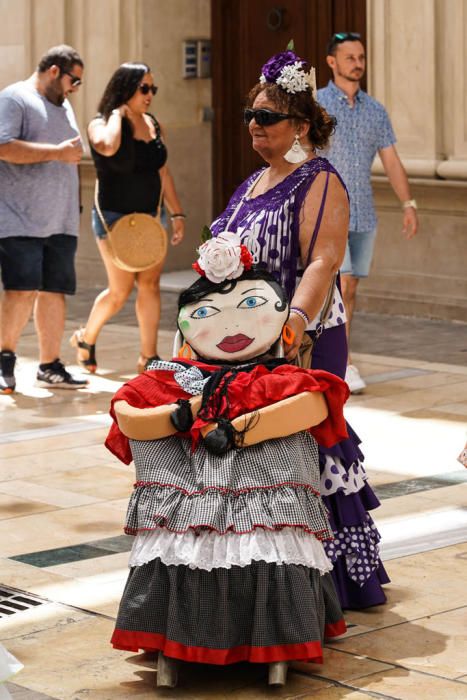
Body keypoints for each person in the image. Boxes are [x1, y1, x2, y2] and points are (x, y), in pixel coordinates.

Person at [105, 235, 348, 686]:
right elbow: (128, 415)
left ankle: (271, 642)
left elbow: (313, 406)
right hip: (189, 498)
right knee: (193, 539)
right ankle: (186, 642)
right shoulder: (171, 379)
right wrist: (184, 412)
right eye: (207, 315)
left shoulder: (284, 377)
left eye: (251, 304)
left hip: (269, 496)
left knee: (268, 538)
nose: (231, 325)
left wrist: (235, 430)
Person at [209, 49, 389, 609]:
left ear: (301, 125)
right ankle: (258, 582)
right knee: (254, 451)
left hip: (304, 337)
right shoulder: (253, 183)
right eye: (251, 118)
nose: (255, 128)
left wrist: (296, 318)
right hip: (247, 339)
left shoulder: (320, 179)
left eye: (267, 118)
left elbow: (324, 258)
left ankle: (326, 583)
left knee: (305, 446)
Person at [317, 32, 419, 393]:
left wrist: (408, 203)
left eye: (360, 57)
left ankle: (334, 357)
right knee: (340, 285)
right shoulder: (317, 106)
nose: (357, 63)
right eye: (349, 57)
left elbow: (391, 160)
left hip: (364, 213)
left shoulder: (375, 110)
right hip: (328, 212)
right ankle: (340, 363)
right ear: (332, 62)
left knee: (351, 287)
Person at [70, 62, 185, 375]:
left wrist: (176, 212)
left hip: (150, 217)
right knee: (119, 292)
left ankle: (148, 357)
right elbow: (107, 146)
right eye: (143, 88)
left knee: (150, 284)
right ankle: (86, 338)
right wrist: (119, 115)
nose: (149, 95)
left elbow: (162, 170)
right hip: (114, 219)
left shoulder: (153, 124)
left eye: (153, 89)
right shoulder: (101, 123)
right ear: (125, 89)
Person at [0, 44, 87, 393]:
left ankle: (50, 366)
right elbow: (3, 146)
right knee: (21, 292)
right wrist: (57, 153)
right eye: (73, 80)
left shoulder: (63, 105)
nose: (75, 88)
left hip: (61, 219)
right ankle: (5, 360)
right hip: (20, 217)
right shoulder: (15, 99)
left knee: (55, 292)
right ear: (54, 70)